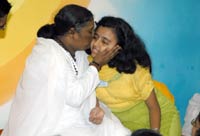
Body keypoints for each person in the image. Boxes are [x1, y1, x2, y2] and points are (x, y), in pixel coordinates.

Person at [2, 5, 130, 136]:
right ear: (72, 33)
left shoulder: (77, 52)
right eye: (90, 32)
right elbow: (75, 97)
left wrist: (96, 106)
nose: (93, 38)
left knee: (118, 131)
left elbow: (86, 86)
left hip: (73, 118)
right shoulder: (49, 56)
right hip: (45, 126)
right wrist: (97, 64)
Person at [89, 16, 181, 136]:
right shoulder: (88, 64)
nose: (96, 44)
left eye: (104, 42)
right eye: (95, 37)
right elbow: (92, 94)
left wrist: (153, 133)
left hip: (158, 119)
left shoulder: (135, 70)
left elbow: (154, 108)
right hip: (124, 124)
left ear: (119, 48)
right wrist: (97, 110)